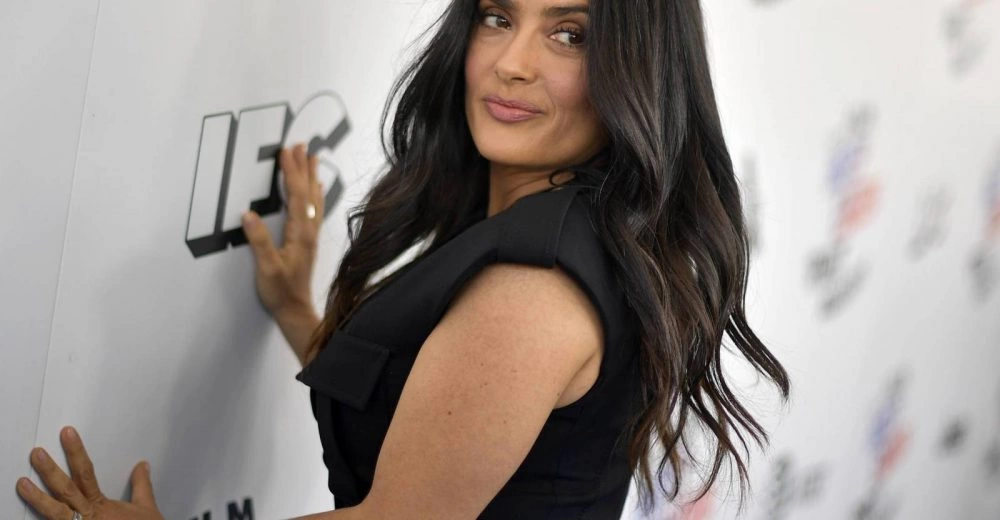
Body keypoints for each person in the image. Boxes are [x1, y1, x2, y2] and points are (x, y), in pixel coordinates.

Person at [15, 0, 790, 518]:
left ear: (638, 67)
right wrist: (296, 309)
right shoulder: (578, 233)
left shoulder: (533, 289)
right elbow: (431, 424)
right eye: (497, 17)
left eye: (569, 35)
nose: (511, 62)